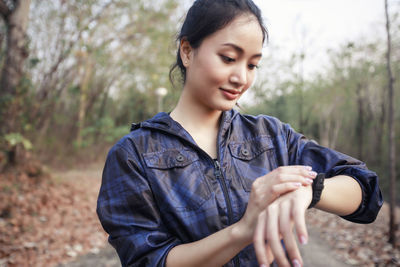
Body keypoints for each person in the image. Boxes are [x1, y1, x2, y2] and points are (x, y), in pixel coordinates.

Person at [96, 0, 383, 266]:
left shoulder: (271, 136)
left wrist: (311, 189)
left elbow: (366, 190)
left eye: (252, 64)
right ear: (187, 51)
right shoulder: (134, 154)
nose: (242, 78)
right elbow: (149, 259)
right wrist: (243, 230)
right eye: (228, 58)